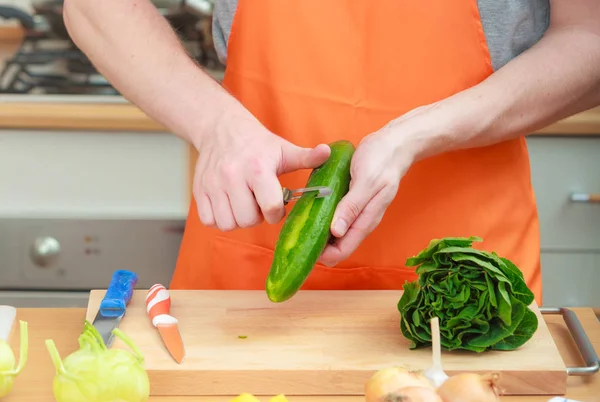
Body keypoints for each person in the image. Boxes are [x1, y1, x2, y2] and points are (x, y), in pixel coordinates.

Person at [63, 0, 600, 305]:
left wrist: (415, 134)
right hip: (254, 249)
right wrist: (216, 123)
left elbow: (591, 36)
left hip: (465, 282)